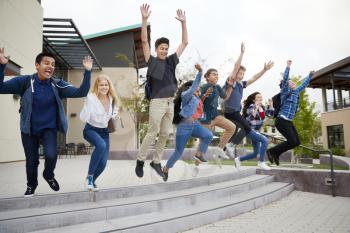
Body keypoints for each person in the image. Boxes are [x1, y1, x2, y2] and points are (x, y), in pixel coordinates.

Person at [0, 48, 92, 197]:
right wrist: (2, 65)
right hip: (29, 130)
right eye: (46, 63)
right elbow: (1, 87)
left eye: (53, 64)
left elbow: (81, 92)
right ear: (37, 65)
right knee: (31, 161)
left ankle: (48, 175)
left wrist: (87, 72)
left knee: (51, 155)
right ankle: (31, 185)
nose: (50, 66)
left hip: (49, 129)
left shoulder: (57, 84)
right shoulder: (25, 82)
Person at [136, 3, 188, 178]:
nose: (164, 51)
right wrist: (144, 20)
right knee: (153, 131)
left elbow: (185, 42)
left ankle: (156, 161)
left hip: (170, 103)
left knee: (165, 133)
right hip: (157, 102)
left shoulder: (172, 61)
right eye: (161, 48)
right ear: (156, 50)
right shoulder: (152, 61)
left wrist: (183, 23)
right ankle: (140, 160)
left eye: (166, 48)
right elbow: (144, 41)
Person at [222, 43, 274, 168]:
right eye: (240, 73)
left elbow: (254, 78)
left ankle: (230, 146)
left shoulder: (241, 84)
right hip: (230, 111)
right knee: (246, 128)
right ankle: (230, 145)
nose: (242, 75)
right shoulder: (232, 81)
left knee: (243, 129)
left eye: (243, 73)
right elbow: (235, 67)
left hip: (235, 112)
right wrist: (242, 53)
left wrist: (264, 70)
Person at [162, 64, 213, 182]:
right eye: (197, 89)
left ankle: (199, 154)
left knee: (208, 135)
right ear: (190, 89)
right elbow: (193, 88)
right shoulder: (186, 96)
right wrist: (200, 72)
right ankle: (166, 168)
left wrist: (204, 96)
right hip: (183, 127)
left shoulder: (197, 99)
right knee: (178, 153)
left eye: (200, 90)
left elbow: (197, 104)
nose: (199, 90)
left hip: (195, 125)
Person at [267, 60, 314, 165]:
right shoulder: (285, 93)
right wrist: (288, 66)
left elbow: (304, 84)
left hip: (289, 122)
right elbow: (285, 79)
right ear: (287, 86)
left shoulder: (296, 91)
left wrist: (310, 75)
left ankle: (276, 153)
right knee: (292, 141)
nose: (292, 83)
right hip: (281, 120)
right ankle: (272, 151)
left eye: (293, 82)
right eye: (290, 83)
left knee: (297, 142)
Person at [80, 74, 119, 191]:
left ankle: (91, 181)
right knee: (101, 145)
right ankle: (90, 177)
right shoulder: (91, 98)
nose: (104, 87)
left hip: (104, 132)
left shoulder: (112, 99)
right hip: (90, 129)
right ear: (97, 86)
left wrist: (115, 116)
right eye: (101, 85)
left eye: (106, 85)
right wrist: (86, 106)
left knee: (103, 164)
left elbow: (114, 113)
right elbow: (83, 117)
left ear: (109, 86)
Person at [200, 68, 236, 159]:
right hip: (206, 118)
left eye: (217, 74)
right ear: (208, 77)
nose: (216, 76)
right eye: (213, 74)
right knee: (204, 142)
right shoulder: (203, 87)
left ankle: (219, 149)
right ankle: (196, 165)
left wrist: (230, 86)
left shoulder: (218, 87)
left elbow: (225, 96)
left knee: (232, 127)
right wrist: (205, 95)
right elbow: (198, 102)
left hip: (216, 115)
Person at [238, 92, 274, 170]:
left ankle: (238, 160)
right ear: (254, 100)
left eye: (261, 97)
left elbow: (270, 116)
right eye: (258, 97)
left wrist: (271, 105)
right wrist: (256, 108)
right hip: (249, 130)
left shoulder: (263, 108)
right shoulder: (252, 106)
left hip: (257, 131)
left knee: (255, 153)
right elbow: (249, 119)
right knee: (265, 140)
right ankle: (261, 162)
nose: (260, 98)